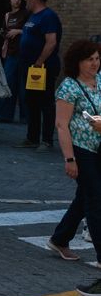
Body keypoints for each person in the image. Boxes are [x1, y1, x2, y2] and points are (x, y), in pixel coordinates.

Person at [49, 41, 101, 270]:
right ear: (77, 62)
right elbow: (62, 125)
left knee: (86, 196)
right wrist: (69, 159)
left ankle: (59, 239)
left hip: (99, 148)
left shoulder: (100, 81)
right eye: (89, 59)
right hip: (81, 150)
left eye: (97, 58)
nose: (95, 63)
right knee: (95, 201)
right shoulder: (68, 88)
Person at [19, 0, 62, 150]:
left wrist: (39, 61)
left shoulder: (48, 16)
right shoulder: (32, 17)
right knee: (31, 102)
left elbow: (51, 42)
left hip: (43, 67)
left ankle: (47, 140)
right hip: (29, 67)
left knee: (46, 102)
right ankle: (32, 137)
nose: (25, 0)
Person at [0, 0, 29, 125]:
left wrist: (18, 31)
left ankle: (26, 116)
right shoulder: (7, 16)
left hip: (23, 54)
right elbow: (4, 31)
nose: (17, 1)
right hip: (11, 53)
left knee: (24, 87)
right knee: (8, 84)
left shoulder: (26, 14)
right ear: (9, 0)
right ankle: (4, 115)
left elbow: (31, 30)